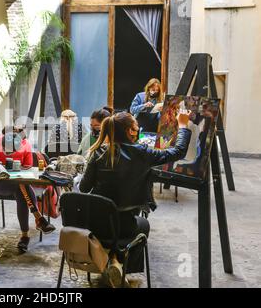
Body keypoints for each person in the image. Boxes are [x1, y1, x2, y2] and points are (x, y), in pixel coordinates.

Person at [79, 111, 191, 285]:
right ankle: (122, 267)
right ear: (130, 131)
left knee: (116, 225)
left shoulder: (99, 152)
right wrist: (183, 126)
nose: (137, 131)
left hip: (95, 223)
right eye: (136, 128)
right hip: (125, 225)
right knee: (143, 224)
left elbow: (83, 187)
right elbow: (177, 152)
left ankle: (113, 260)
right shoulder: (142, 153)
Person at [0, 126, 56, 252]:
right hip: (1, 185)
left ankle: (26, 235)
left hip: (18, 185)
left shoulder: (25, 144)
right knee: (22, 187)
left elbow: (28, 165)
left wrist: (17, 167)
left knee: (21, 189)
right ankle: (37, 220)